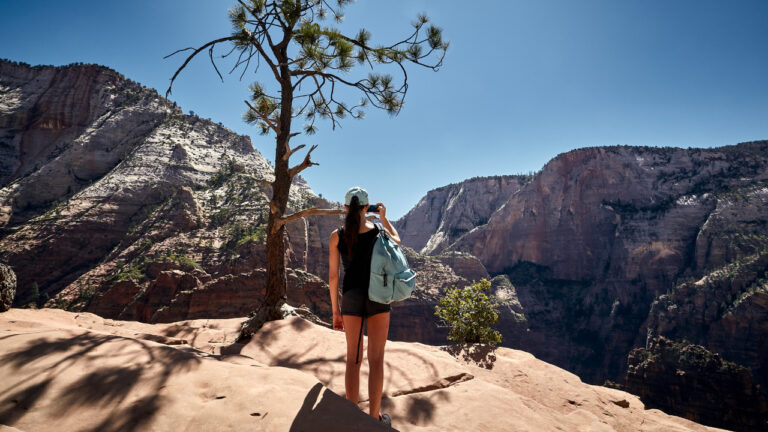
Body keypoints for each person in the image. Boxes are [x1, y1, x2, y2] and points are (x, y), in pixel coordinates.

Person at [328, 186, 402, 427]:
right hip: (378, 295)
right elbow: (398, 242)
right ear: (366, 208)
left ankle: (352, 418)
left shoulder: (337, 235)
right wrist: (384, 218)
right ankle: (373, 419)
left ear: (346, 207)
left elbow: (333, 277)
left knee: (353, 358)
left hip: (351, 297)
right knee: (376, 359)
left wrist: (336, 311)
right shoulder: (379, 231)